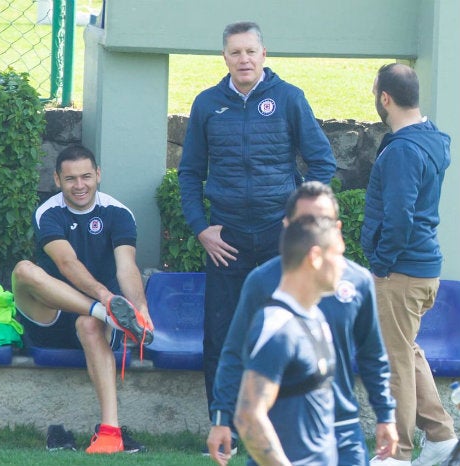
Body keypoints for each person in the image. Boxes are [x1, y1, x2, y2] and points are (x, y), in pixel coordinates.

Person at [177, 21, 337, 425]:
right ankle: (222, 426)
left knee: (286, 333)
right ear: (225, 58)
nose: (243, 59)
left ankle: (284, 425)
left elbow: (323, 163)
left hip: (277, 241)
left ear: (264, 54)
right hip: (225, 241)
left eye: (251, 51)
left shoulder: (288, 99)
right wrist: (201, 228)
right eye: (235, 52)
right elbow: (190, 173)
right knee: (220, 338)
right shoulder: (207, 104)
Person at [207, 181, 398, 465]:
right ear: (288, 226)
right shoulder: (264, 286)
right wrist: (222, 416)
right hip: (280, 431)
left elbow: (373, 355)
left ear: (337, 228)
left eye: (323, 222)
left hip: (342, 431)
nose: (314, 232)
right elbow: (235, 353)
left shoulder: (356, 282)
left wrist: (386, 414)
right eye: (306, 222)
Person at [11, 144, 154, 454]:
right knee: (24, 270)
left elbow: (127, 268)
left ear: (98, 175)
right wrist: (105, 299)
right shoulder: (48, 212)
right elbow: (66, 263)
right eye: (71, 178)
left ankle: (109, 431)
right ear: (57, 179)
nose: (80, 185)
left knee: (89, 324)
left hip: (92, 324)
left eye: (86, 176)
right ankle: (107, 313)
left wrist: (140, 309)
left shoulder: (118, 213)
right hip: (52, 313)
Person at [362, 63, 457, 466]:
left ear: (385, 98)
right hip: (421, 270)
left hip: (400, 273)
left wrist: (381, 264)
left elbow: (399, 218)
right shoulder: (430, 137)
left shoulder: (402, 150)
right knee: (407, 351)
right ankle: (439, 437)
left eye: (374, 92)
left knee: (394, 363)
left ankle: (395, 455)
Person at [232, 215, 344, 465]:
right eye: (338, 255)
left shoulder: (315, 316)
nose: (343, 266)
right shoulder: (279, 327)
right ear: (315, 257)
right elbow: (248, 417)